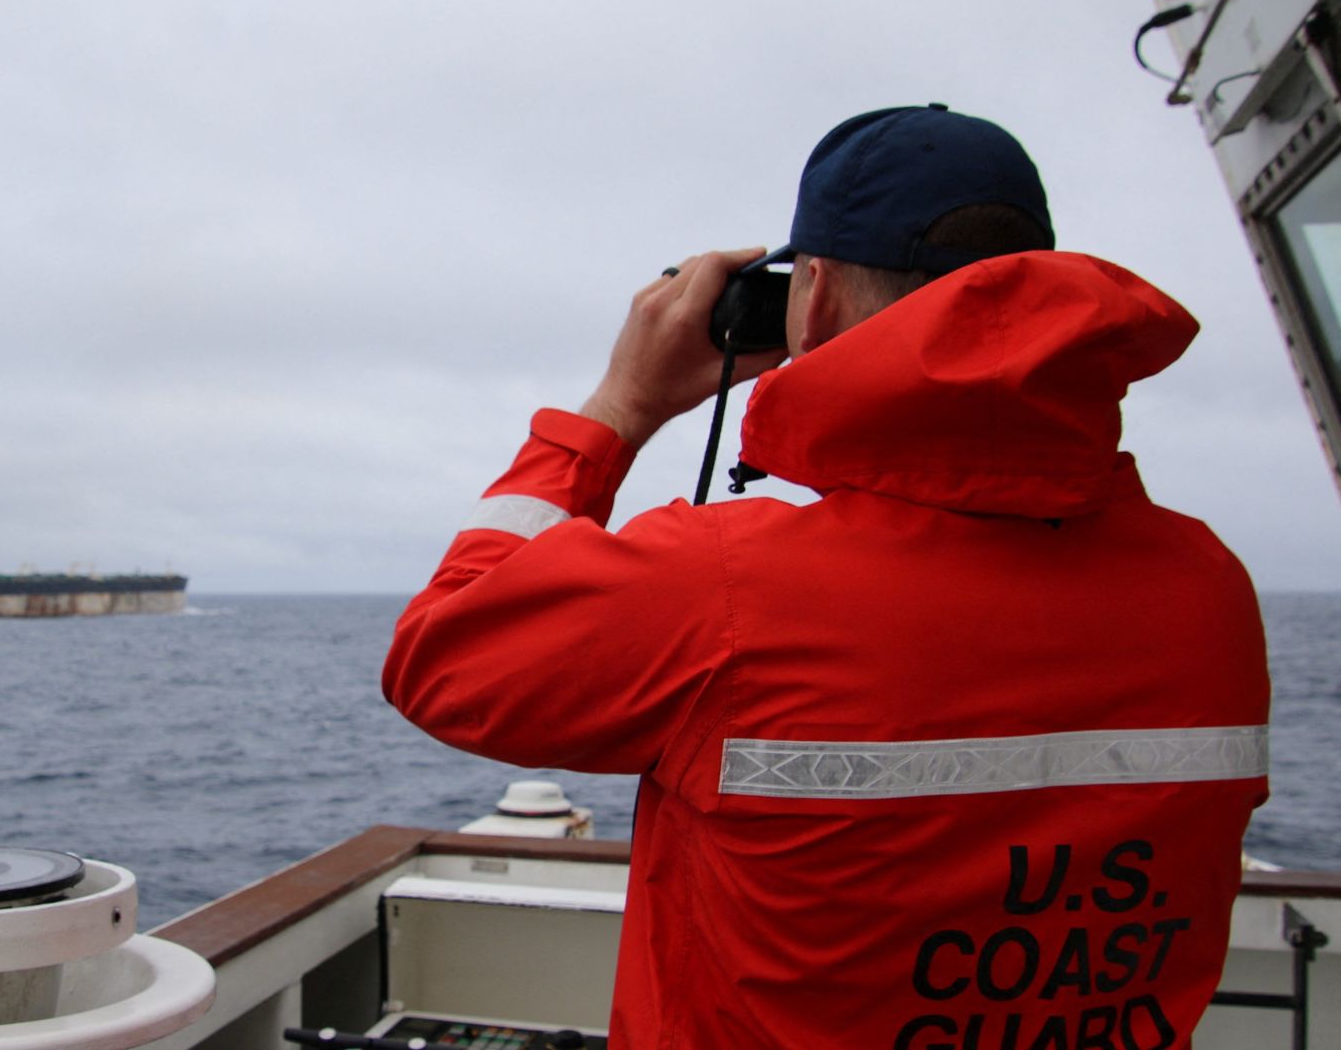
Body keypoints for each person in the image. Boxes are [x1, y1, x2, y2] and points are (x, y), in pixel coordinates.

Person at [382, 105, 1271, 1048]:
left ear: (814, 298)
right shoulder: (1211, 589)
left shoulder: (723, 591)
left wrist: (619, 408)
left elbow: (441, 653)